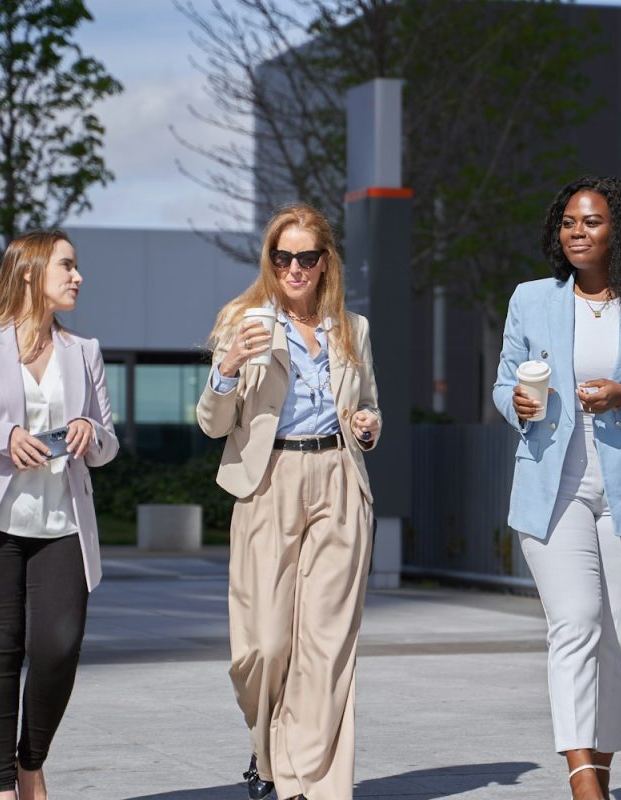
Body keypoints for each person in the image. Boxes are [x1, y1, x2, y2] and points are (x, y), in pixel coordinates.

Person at [492, 175, 621, 800]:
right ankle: (583, 780)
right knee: (577, 621)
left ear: (620, 231)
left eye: (592, 222)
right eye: (568, 223)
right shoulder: (531, 299)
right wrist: (519, 406)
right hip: (553, 486)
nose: (577, 233)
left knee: (619, 629)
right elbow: (504, 385)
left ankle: (601, 769)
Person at [0, 230, 119, 800]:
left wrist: (90, 431)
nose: (78, 276)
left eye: (77, 266)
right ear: (30, 271)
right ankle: (2, 789)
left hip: (61, 527)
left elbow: (109, 444)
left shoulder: (85, 352)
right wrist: (2, 436)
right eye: (67, 265)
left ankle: (31, 762)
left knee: (59, 648)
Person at [198, 202, 380, 800]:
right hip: (267, 480)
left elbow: (369, 407)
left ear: (325, 262)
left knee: (326, 645)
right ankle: (268, 757)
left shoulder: (353, 329)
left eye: (306, 257)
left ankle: (314, 785)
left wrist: (367, 422)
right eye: (283, 258)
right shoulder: (242, 322)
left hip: (338, 479)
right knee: (264, 644)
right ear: (270, 262)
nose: (294, 268)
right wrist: (227, 368)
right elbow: (211, 423)